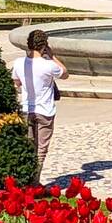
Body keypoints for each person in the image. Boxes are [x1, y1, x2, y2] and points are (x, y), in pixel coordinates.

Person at [11, 29, 68, 181]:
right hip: (45, 111)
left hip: (26, 109)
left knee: (28, 146)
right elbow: (65, 73)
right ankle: (35, 181)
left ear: (28, 45)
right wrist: (52, 55)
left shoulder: (19, 63)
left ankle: (26, 179)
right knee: (41, 149)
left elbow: (16, 82)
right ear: (44, 46)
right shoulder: (49, 65)